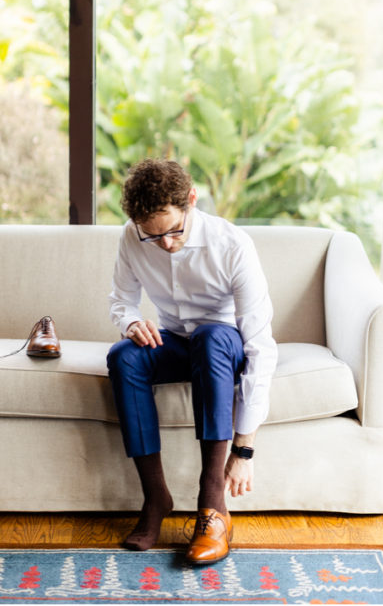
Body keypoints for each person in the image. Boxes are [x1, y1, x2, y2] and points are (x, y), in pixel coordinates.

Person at [106, 158, 277, 565]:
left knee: (211, 336)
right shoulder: (132, 237)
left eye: (173, 231)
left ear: (192, 201)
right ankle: (155, 499)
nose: (165, 244)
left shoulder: (233, 246)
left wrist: (246, 449)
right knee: (123, 356)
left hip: (222, 347)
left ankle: (212, 505)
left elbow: (260, 345)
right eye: (153, 236)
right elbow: (121, 301)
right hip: (177, 342)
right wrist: (131, 323)